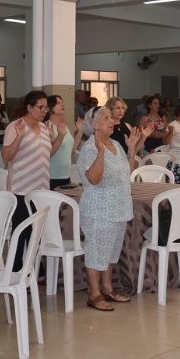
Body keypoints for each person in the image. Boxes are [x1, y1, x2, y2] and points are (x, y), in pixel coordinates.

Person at [77, 107, 143, 311]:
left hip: (119, 208)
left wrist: (132, 150)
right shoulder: (90, 148)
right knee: (96, 252)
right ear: (94, 124)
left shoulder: (115, 144)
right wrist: (100, 153)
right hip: (99, 210)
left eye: (111, 117)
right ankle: (94, 294)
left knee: (111, 252)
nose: (111, 120)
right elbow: (94, 179)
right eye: (105, 118)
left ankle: (107, 288)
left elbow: (127, 172)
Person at [2, 90, 55, 271]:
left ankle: (33, 270)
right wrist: (19, 137)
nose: (44, 111)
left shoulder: (45, 128)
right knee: (22, 232)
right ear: (29, 107)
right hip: (21, 190)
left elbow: (46, 154)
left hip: (40, 190)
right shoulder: (16, 126)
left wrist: (60, 136)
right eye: (41, 107)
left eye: (46, 108)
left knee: (37, 233)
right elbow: (6, 156)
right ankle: (16, 271)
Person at [45, 95, 84, 189]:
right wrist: (60, 136)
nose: (63, 105)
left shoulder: (63, 126)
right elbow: (47, 153)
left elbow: (70, 150)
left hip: (65, 176)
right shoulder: (47, 127)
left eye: (62, 102)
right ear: (50, 109)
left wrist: (80, 131)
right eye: (58, 103)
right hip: (51, 176)